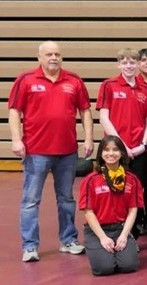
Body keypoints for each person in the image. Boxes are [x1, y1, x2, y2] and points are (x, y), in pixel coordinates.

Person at [11, 41, 93, 261]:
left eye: (57, 54)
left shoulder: (74, 80)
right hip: (36, 151)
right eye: (48, 54)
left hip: (67, 152)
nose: (53, 57)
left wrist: (88, 138)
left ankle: (68, 240)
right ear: (39, 57)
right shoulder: (26, 79)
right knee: (31, 200)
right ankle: (29, 246)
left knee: (66, 198)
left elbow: (85, 111)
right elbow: (14, 111)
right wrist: (17, 139)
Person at [98, 48, 147, 234]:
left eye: (132, 62)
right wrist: (120, 145)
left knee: (137, 187)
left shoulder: (145, 88)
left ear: (138, 65)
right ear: (119, 64)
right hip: (115, 149)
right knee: (115, 186)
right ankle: (115, 224)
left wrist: (143, 145)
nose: (128, 66)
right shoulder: (109, 85)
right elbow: (104, 117)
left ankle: (135, 226)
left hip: (138, 149)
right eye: (124, 62)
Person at [79, 136, 142, 275]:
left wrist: (124, 235)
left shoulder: (132, 179)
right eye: (106, 150)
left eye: (115, 150)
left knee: (129, 266)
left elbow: (133, 210)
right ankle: (99, 251)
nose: (111, 153)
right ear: (101, 153)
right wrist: (102, 237)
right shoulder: (91, 180)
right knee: (104, 269)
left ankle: (120, 252)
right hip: (97, 231)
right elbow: (88, 212)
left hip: (120, 228)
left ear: (121, 153)